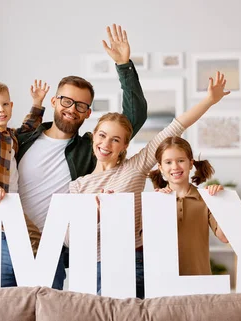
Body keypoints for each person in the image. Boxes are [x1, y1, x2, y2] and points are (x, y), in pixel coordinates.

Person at [9, 24, 149, 289]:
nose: (72, 109)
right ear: (53, 101)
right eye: (66, 101)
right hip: (9, 240)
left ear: (88, 113)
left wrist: (124, 66)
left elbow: (134, 117)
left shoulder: (90, 149)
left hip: (53, 250)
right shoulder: (22, 138)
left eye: (81, 105)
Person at [68, 71, 230, 297]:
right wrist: (95, 213)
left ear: (124, 146)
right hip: (95, 265)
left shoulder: (133, 168)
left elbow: (175, 127)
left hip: (134, 261)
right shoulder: (78, 186)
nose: (106, 144)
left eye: (115, 140)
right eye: (102, 136)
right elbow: (69, 239)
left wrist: (209, 101)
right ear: (93, 136)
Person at [0, 80, 59, 287]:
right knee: (35, 236)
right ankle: (41, 271)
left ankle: (33, 269)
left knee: (28, 236)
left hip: (9, 202)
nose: (1, 109)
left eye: (5, 104)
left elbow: (28, 128)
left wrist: (37, 101)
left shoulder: (9, 135)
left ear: (11, 106)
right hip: (0, 203)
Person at [149, 137, 229, 276]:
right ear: (161, 168)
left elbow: (224, 237)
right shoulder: (155, 201)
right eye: (168, 162)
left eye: (180, 160)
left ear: (190, 163)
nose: (175, 167)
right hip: (163, 281)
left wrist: (221, 202)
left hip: (200, 279)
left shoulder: (205, 199)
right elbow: (147, 242)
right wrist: (158, 207)